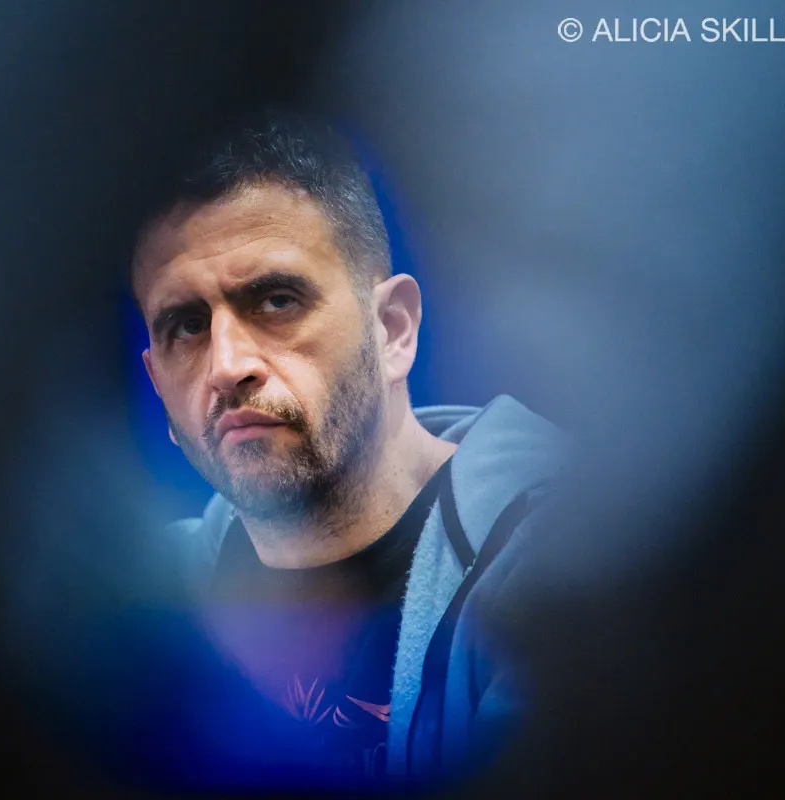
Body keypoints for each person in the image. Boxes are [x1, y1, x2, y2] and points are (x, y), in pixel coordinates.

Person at [127, 110, 564, 792]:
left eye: (276, 300)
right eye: (186, 325)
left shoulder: (559, 566)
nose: (227, 365)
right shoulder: (141, 613)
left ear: (394, 330)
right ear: (156, 383)